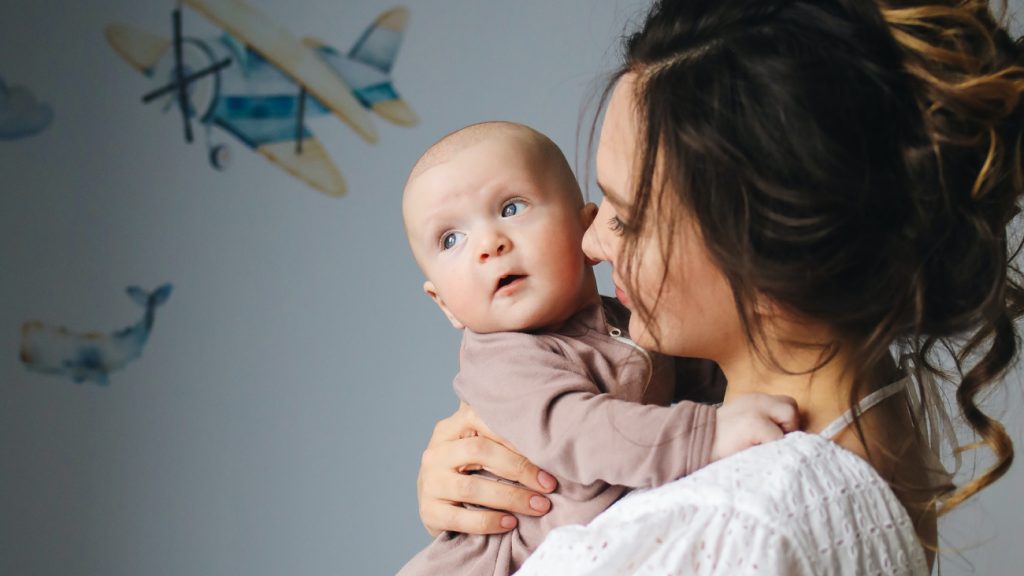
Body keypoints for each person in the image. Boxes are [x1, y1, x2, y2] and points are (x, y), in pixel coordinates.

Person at [415, 1, 1024, 574]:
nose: (591, 243)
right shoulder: (872, 416)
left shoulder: (733, 524)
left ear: (762, 250)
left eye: (626, 216)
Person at [397, 121, 800, 575]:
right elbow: (581, 432)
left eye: (511, 208)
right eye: (451, 239)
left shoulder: (626, 321)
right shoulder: (502, 360)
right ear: (444, 303)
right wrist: (704, 434)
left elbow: (707, 372)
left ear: (586, 229)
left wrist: (776, 367)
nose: (489, 245)